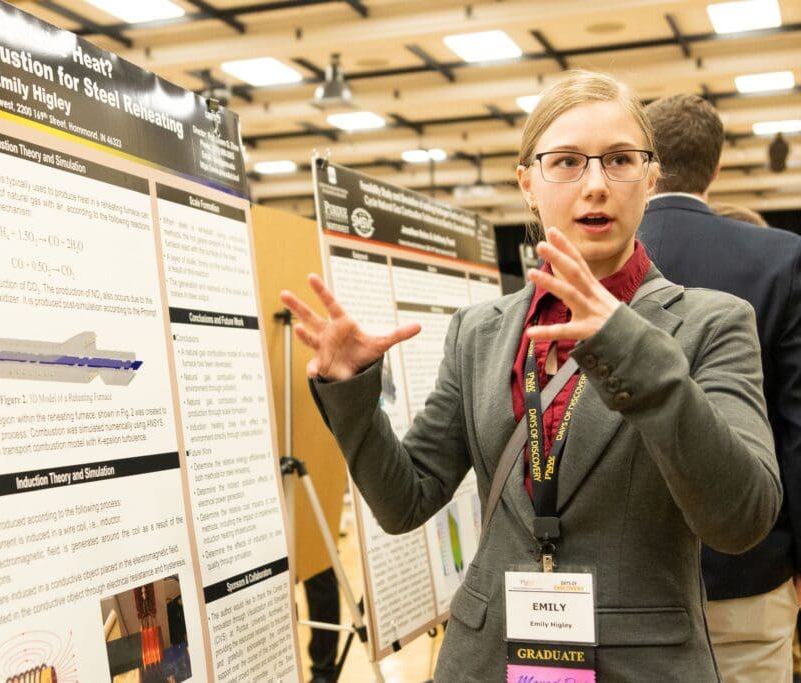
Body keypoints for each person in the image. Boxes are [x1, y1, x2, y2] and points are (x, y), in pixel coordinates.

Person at [279, 70, 781, 681]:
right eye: (567, 162)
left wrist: (626, 344)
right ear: (528, 183)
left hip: (640, 663)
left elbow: (742, 518)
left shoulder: (712, 323)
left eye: (620, 160)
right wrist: (353, 389)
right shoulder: (481, 331)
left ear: (651, 179)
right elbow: (407, 499)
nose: (595, 184)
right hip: (489, 658)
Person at [639, 93, 801, 683]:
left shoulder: (595, 260)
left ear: (644, 161)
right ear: (719, 166)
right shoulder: (781, 259)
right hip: (749, 571)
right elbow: (796, 430)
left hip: (624, 578)